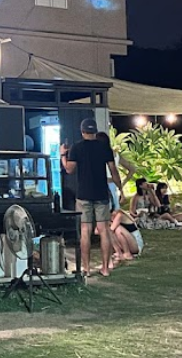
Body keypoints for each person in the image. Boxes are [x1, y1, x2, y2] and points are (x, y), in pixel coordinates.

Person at [61, 118, 123, 277]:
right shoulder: (104, 147)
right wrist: (120, 189)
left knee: (85, 231)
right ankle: (105, 268)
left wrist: (63, 155)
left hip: (83, 195)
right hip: (101, 193)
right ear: (95, 131)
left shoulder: (76, 147)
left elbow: (69, 169)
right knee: (104, 230)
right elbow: (113, 171)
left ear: (82, 131)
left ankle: (86, 269)